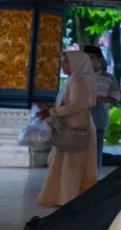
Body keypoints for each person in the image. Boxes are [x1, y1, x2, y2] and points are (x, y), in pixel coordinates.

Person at [37, 51, 98, 207]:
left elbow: (76, 106)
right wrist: (51, 109)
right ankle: (61, 197)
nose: (63, 66)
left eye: (66, 62)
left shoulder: (80, 81)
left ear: (76, 63)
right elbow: (69, 103)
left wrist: (52, 112)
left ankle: (69, 199)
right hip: (69, 127)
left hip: (77, 129)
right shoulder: (73, 79)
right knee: (63, 165)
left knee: (72, 167)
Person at [83, 46, 121, 172]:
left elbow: (116, 97)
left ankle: (94, 177)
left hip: (99, 119)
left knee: (96, 150)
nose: (88, 61)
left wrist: (101, 99)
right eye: (86, 58)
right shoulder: (80, 77)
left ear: (99, 59)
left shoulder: (109, 78)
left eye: (91, 58)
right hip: (81, 118)